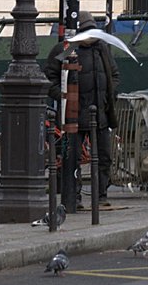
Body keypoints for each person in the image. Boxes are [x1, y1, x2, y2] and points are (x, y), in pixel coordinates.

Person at [43, 11, 120, 208]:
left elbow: (114, 73)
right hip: (74, 114)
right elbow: (49, 77)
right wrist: (61, 96)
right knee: (72, 158)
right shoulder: (67, 48)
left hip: (99, 113)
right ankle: (74, 196)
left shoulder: (101, 49)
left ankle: (100, 195)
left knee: (104, 156)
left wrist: (107, 96)